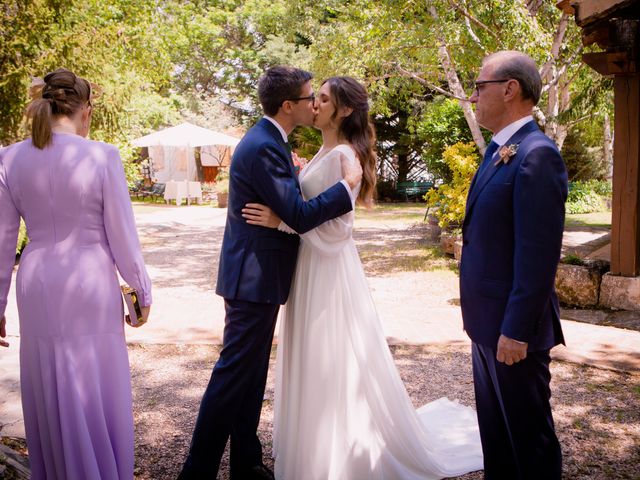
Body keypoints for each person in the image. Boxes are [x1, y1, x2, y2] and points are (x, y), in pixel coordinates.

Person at [242, 76, 483, 480]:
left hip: (328, 271)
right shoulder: (325, 151)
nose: (314, 104)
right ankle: (312, 446)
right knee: (312, 356)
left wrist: (283, 223)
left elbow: (340, 231)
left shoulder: (346, 159)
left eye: (322, 99)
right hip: (308, 268)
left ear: (345, 110)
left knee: (330, 359)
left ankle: (337, 456)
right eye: (313, 97)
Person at [178, 66, 362, 480]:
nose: (313, 103)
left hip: (260, 276)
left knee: (250, 373)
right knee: (232, 376)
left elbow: (287, 206)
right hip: (253, 278)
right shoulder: (263, 145)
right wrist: (345, 189)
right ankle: (196, 471)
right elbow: (298, 215)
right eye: (308, 97)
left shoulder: (272, 143)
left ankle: (247, 462)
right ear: (287, 105)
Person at [0, 68, 152, 479]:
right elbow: (122, 234)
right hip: (89, 280)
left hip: (36, 282)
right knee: (96, 379)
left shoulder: (10, 157)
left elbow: (2, 239)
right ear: (85, 110)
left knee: (48, 379)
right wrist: (140, 292)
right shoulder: (101, 155)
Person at [460, 51, 567, 479]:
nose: (473, 96)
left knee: (529, 444)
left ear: (510, 89)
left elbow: (538, 255)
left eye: (479, 86)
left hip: (512, 331)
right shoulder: (499, 150)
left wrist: (516, 330)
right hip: (486, 323)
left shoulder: (537, 155)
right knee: (498, 441)